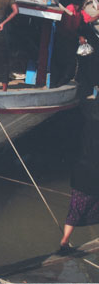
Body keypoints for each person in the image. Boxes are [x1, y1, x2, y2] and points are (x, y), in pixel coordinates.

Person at [59, 99, 99, 254]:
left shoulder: (85, 125)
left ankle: (64, 241)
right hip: (94, 173)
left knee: (75, 209)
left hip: (81, 173)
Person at [51, 0, 99, 87]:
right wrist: (80, 37)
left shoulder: (80, 11)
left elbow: (89, 19)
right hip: (62, 39)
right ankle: (58, 83)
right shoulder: (70, 9)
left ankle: (64, 81)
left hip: (70, 39)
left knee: (72, 62)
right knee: (66, 62)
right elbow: (67, 28)